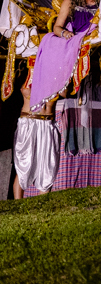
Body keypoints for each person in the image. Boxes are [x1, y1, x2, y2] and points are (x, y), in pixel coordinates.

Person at [28, 0, 101, 114]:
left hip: (94, 35)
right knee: (53, 43)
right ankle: (60, 85)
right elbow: (57, 27)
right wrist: (65, 33)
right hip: (74, 36)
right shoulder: (70, 0)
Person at [12, 59, 60, 198]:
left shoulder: (57, 74)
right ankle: (17, 205)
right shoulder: (30, 69)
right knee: (24, 165)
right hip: (29, 122)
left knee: (48, 167)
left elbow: (65, 92)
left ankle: (42, 206)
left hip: (47, 124)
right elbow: (24, 89)